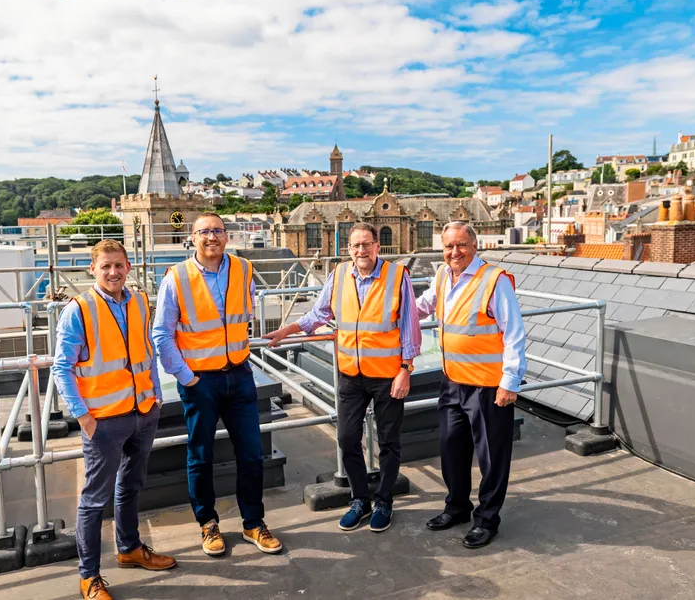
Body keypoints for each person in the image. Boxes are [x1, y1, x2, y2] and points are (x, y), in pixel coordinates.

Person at [264, 222, 420, 532]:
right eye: (355, 246)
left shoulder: (397, 276)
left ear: (377, 246)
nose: (361, 250)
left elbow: (409, 326)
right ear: (348, 249)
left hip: (388, 375)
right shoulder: (339, 276)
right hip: (351, 373)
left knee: (389, 443)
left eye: (367, 244)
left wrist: (406, 370)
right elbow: (319, 314)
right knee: (347, 438)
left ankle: (384, 502)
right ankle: (360, 500)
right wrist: (288, 330)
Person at [52, 239, 177, 600]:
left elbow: (147, 350)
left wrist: (155, 395)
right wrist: (83, 418)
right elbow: (62, 367)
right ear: (92, 269)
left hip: (142, 412)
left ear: (128, 267)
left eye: (119, 265)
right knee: (94, 499)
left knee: (131, 486)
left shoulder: (139, 301)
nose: (113, 272)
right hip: (104, 421)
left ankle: (129, 549)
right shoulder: (79, 310)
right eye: (105, 266)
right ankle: (89, 576)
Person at [153, 213, 283, 556]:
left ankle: (253, 523)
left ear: (227, 236)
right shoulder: (176, 278)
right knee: (201, 456)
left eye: (217, 231)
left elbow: (244, 316)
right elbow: (161, 334)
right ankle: (207, 524)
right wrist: (186, 377)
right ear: (192, 239)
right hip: (201, 382)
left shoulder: (243, 269)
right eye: (204, 232)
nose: (212, 237)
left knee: (252, 454)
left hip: (240, 374)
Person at [415, 221, 527, 549]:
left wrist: (510, 383)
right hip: (452, 381)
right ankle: (457, 507)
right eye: (448, 246)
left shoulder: (494, 280)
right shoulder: (442, 275)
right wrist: (394, 314)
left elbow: (514, 334)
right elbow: (423, 306)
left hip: (488, 387)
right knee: (452, 449)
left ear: (475, 246)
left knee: (491, 457)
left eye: (461, 245)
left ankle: (487, 519)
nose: (454, 252)